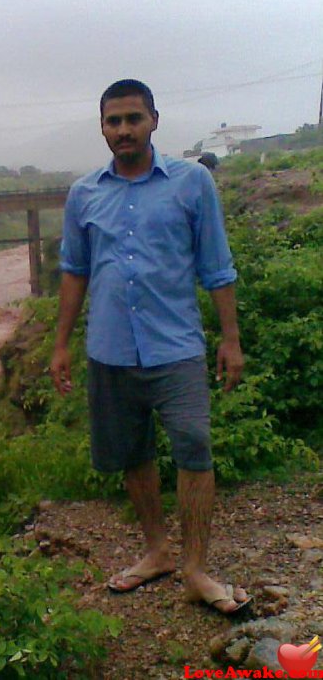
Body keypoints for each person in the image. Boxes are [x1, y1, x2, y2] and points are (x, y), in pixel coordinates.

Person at [50, 79, 251, 615]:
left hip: (177, 347)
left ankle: (195, 568)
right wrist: (61, 344)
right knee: (133, 455)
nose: (123, 130)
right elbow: (74, 272)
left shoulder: (192, 183)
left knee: (193, 449)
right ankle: (158, 552)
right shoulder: (84, 193)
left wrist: (230, 340)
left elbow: (217, 266)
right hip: (110, 350)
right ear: (102, 128)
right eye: (113, 121)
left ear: (154, 121)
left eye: (133, 119)